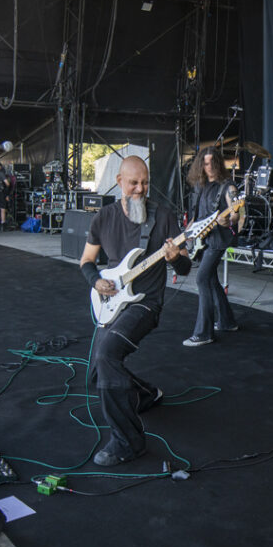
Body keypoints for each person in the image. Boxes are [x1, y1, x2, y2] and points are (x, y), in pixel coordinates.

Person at [79, 156, 191, 466]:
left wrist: (173, 259)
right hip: (112, 300)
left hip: (145, 303)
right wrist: (97, 281)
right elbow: (87, 261)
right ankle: (145, 394)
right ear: (119, 183)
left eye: (144, 182)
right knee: (96, 375)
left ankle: (127, 441)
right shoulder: (103, 217)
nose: (140, 189)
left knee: (107, 356)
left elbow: (184, 264)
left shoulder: (163, 216)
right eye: (133, 183)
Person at [184, 147, 240, 347]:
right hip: (203, 239)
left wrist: (230, 220)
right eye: (205, 163)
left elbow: (235, 213)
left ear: (218, 163)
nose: (209, 167)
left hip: (218, 240)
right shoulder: (200, 186)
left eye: (212, 163)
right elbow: (196, 217)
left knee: (202, 279)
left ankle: (203, 333)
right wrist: (184, 237)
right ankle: (227, 321)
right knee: (212, 280)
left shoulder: (228, 186)